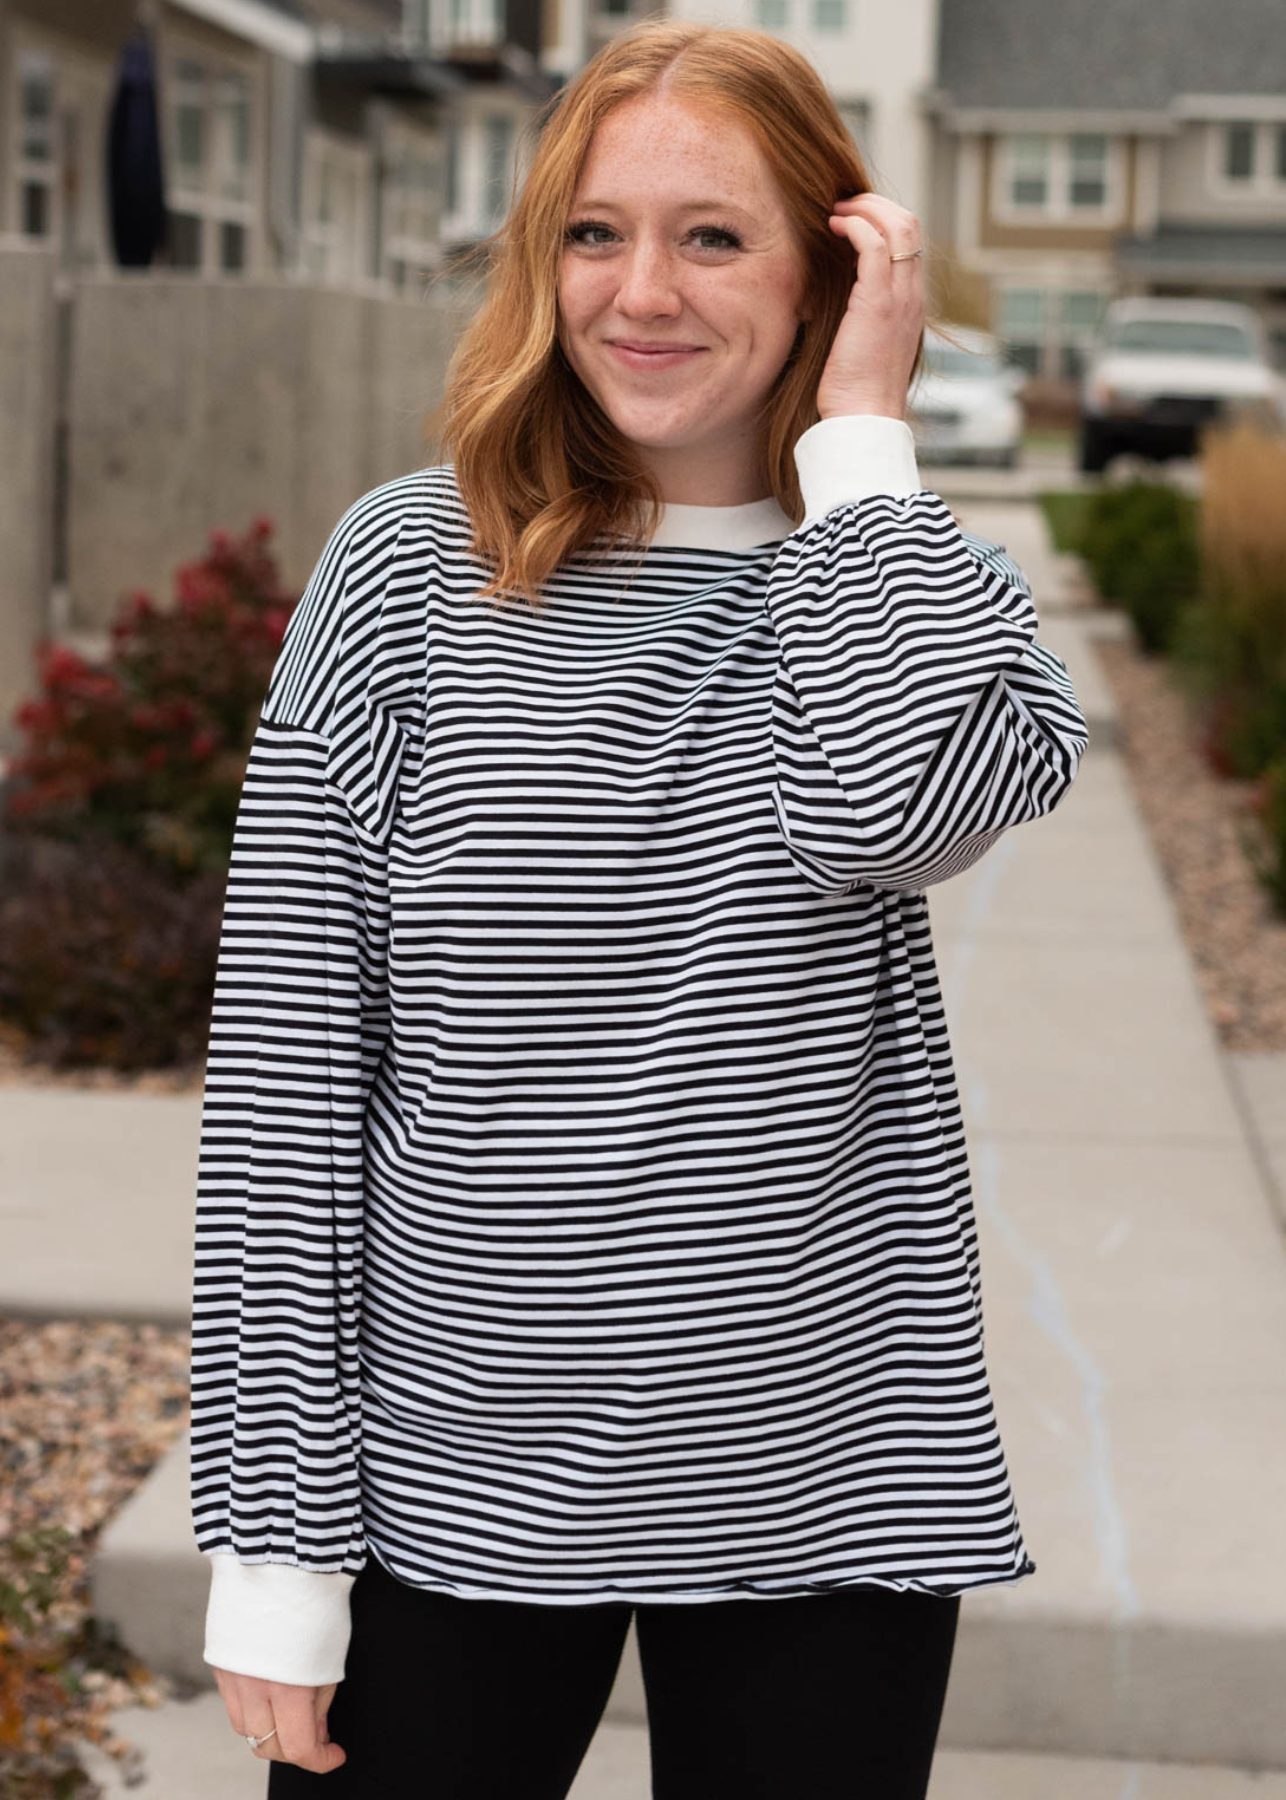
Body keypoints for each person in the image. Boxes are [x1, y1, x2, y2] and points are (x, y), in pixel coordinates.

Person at [191, 17, 1089, 1797]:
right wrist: (276, 1553)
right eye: (594, 233)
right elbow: (290, 1077)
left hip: (828, 1474)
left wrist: (857, 453)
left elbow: (892, 808)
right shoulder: (408, 572)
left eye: (712, 235)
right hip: (438, 1478)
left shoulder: (922, 586)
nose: (640, 293)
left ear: (835, 262)